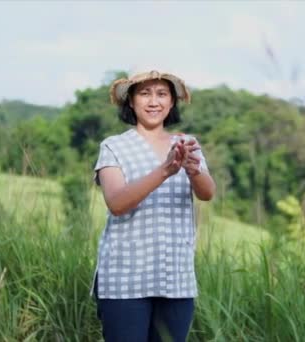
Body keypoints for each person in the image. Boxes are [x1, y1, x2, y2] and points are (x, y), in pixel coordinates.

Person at [90, 70, 216, 342]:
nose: (153, 101)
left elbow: (207, 193)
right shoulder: (114, 146)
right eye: (144, 93)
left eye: (162, 94)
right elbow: (117, 203)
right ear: (131, 102)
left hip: (176, 277)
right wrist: (165, 170)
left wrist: (194, 171)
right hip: (125, 277)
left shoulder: (186, 143)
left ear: (172, 103)